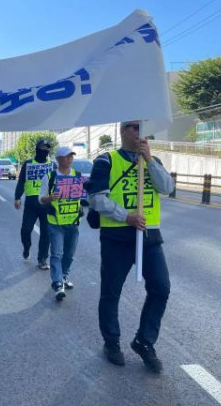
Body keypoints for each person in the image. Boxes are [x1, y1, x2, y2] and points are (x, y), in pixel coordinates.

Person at [86, 121, 174, 373]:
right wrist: (126, 216)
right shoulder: (106, 161)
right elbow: (96, 198)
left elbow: (167, 188)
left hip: (149, 236)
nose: (138, 132)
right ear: (123, 131)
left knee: (161, 288)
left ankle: (144, 342)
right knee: (111, 291)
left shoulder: (152, 159)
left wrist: (150, 161)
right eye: (133, 127)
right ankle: (111, 341)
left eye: (141, 128)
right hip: (117, 236)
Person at [39, 147, 81, 301]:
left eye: (71, 156)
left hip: (73, 222)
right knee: (57, 253)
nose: (69, 159)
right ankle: (57, 283)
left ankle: (62, 276)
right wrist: (50, 198)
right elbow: (41, 199)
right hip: (55, 222)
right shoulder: (50, 177)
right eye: (65, 157)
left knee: (69, 255)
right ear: (58, 160)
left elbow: (83, 197)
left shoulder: (77, 175)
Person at [14, 139, 55, 270]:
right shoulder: (28, 164)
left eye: (47, 148)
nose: (45, 150)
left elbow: (57, 183)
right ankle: (26, 247)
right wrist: (17, 197)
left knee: (46, 233)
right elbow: (21, 182)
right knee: (25, 231)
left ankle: (42, 258)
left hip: (47, 203)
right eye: (42, 147)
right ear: (37, 149)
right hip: (31, 203)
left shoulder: (52, 165)